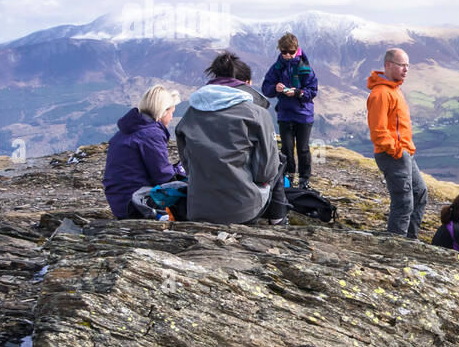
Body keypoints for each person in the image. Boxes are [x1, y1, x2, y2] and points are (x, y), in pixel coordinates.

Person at [175, 52, 288, 225]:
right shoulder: (257, 114)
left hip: (198, 208)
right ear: (247, 84)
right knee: (278, 160)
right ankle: (278, 221)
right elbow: (265, 172)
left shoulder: (190, 114)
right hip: (242, 211)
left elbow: (188, 167)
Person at [367, 48, 427, 237]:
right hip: (393, 155)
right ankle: (397, 244)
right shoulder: (381, 93)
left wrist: (405, 150)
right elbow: (378, 131)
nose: (405, 69)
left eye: (407, 65)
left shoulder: (395, 89)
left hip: (405, 153)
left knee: (419, 193)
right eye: (402, 65)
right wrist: (397, 150)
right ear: (388, 65)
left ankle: (409, 239)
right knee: (403, 201)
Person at [102, 84, 185, 219]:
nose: (171, 118)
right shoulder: (151, 133)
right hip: (137, 204)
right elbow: (163, 176)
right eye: (172, 112)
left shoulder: (127, 131)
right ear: (164, 110)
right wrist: (182, 172)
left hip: (121, 202)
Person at [261, 32, 318, 189]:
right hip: (285, 113)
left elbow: (312, 91)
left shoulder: (305, 68)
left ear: (297, 50)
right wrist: (275, 88)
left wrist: (298, 92)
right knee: (286, 148)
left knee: (303, 148)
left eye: (291, 52)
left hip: (303, 114)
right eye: (284, 52)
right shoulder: (276, 68)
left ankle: (304, 179)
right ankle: (288, 176)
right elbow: (266, 88)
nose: (287, 55)